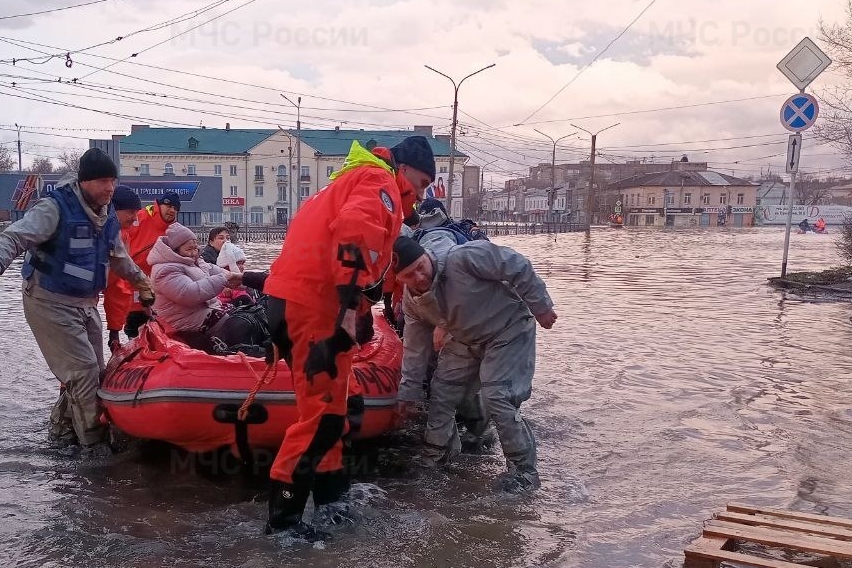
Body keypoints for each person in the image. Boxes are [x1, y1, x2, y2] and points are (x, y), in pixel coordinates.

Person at [261, 135, 433, 536]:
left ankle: (332, 499)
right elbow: (356, 232)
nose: (421, 197)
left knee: (337, 407)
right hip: (315, 308)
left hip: (295, 301)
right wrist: (346, 309)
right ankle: (283, 525)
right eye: (423, 185)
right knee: (321, 419)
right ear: (404, 169)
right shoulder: (380, 182)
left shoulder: (349, 181)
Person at [0, 148, 154, 449]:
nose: (110, 188)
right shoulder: (54, 208)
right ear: (84, 181)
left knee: (95, 374)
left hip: (85, 303)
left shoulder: (106, 217)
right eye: (104, 181)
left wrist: (143, 283)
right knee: (84, 373)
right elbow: (13, 238)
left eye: (113, 182)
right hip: (48, 299)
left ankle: (61, 436)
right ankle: (95, 449)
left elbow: (119, 258)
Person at [392, 234, 558, 493]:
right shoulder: (412, 303)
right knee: (442, 392)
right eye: (409, 276)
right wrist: (408, 392)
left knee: (499, 395)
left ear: (426, 255)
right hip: (465, 337)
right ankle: (438, 456)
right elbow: (415, 348)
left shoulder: (463, 258)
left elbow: (516, 265)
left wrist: (540, 305)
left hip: (508, 327)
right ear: (399, 280)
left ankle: (523, 472)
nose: (419, 278)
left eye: (420, 267)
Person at [147, 222, 243, 348]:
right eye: (189, 249)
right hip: (182, 319)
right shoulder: (165, 270)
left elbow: (217, 271)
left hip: (199, 311)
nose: (194, 252)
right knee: (233, 324)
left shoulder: (195, 262)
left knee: (243, 314)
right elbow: (188, 294)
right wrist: (223, 279)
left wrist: (244, 279)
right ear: (176, 250)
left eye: (195, 248)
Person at [114, 191, 182, 339]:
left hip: (157, 283)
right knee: (134, 321)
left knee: (158, 323)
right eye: (168, 205)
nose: (172, 210)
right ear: (159, 204)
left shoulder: (175, 230)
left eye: (176, 208)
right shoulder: (140, 217)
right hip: (131, 278)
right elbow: (119, 238)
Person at [101, 185, 143, 351]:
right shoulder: (101, 231)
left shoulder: (123, 234)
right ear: (115, 209)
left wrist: (114, 331)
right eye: (131, 212)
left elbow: (117, 286)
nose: (135, 218)